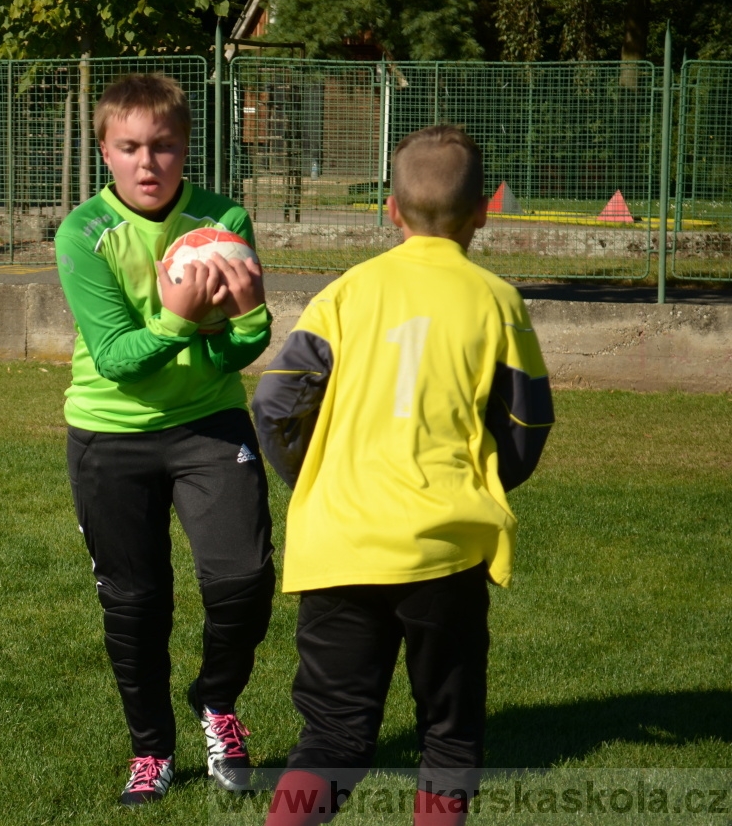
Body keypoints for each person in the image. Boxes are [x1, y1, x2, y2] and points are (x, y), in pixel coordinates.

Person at [251, 125, 554, 826]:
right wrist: (483, 482)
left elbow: (274, 403)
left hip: (339, 542)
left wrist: (317, 479)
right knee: (448, 736)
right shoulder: (497, 301)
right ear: (485, 209)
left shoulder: (345, 294)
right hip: (443, 548)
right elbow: (530, 424)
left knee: (332, 735)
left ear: (390, 209)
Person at [53, 72, 276, 806]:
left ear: (186, 148)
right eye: (131, 147)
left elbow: (232, 351)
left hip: (208, 424)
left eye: (165, 147)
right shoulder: (84, 233)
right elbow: (116, 359)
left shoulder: (223, 220)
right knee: (135, 602)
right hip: (109, 435)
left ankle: (217, 701)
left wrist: (246, 324)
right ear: (106, 153)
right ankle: (150, 749)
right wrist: (182, 317)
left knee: (243, 580)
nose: (148, 163)